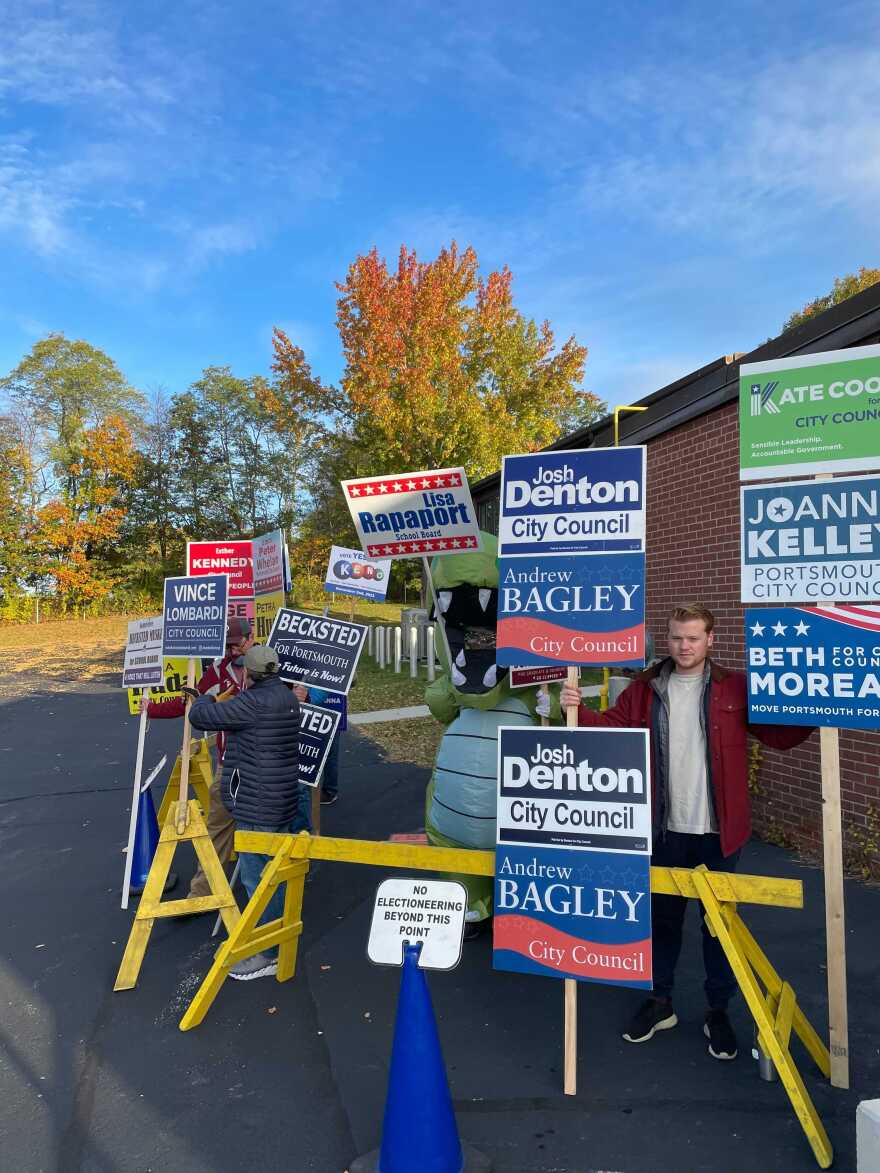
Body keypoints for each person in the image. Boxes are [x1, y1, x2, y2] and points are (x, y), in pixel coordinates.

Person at [560, 603, 814, 1061]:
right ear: (669, 638)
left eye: (693, 638)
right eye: (677, 637)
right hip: (661, 830)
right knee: (662, 923)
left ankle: (718, 1011)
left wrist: (818, 705)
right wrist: (574, 711)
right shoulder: (645, 689)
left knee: (720, 928)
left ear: (710, 640)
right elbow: (612, 730)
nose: (684, 646)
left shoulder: (735, 688)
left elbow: (779, 733)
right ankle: (661, 1003)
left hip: (720, 833)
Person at [188, 644, 308, 981]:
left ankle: (267, 952)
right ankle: (278, 935)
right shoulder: (287, 698)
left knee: (258, 880)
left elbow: (200, 718)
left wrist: (202, 697)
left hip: (258, 802)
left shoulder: (252, 703)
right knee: (275, 873)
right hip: (282, 797)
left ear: (251, 673)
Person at [140, 616, 253, 900]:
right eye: (226, 647)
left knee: (268, 830)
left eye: (236, 646)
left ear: (250, 639)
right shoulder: (218, 670)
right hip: (230, 765)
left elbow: (294, 699)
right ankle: (203, 893)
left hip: (266, 764)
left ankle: (273, 888)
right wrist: (152, 707)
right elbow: (192, 702)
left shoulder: (268, 664)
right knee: (218, 825)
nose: (232, 652)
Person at [292, 684, 346, 806]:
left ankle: (329, 791)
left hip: (328, 709)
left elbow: (351, 680)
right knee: (306, 751)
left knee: (329, 753)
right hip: (307, 709)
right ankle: (314, 791)